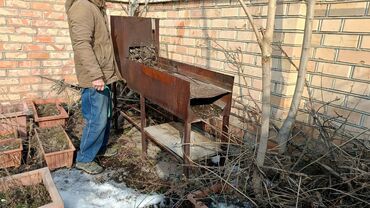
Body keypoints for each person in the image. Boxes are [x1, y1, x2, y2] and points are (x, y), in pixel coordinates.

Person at [65, 0, 121, 174]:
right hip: (95, 77)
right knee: (96, 119)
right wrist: (96, 75)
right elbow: (81, 44)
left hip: (102, 73)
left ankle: (99, 149)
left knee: (104, 116)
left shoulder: (94, 6)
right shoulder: (82, 6)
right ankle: (85, 158)